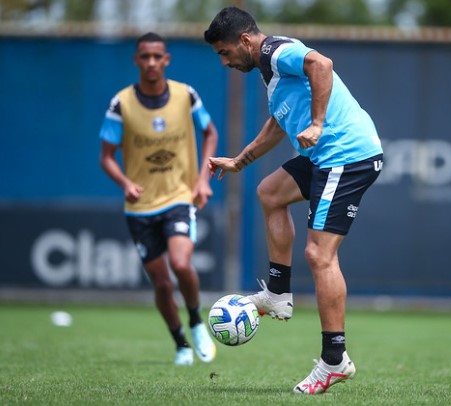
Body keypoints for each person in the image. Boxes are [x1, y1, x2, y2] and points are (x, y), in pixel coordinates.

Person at [204, 7, 383, 394]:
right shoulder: (272, 73)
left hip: (346, 156)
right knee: (269, 192)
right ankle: (278, 293)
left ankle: (334, 360)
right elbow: (276, 123)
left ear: (245, 41)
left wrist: (317, 123)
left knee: (319, 255)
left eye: (224, 52)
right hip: (325, 157)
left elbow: (322, 63)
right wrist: (239, 161)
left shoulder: (274, 51)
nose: (224, 62)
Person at [98, 32, 218, 366]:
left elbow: (210, 132)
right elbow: (106, 156)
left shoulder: (186, 95)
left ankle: (195, 321)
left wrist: (202, 179)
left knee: (181, 264)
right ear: (136, 60)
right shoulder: (120, 104)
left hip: (179, 196)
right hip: (139, 208)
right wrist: (124, 182)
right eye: (144, 57)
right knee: (163, 284)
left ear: (166, 60)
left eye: (157, 56)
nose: (151, 62)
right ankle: (180, 343)